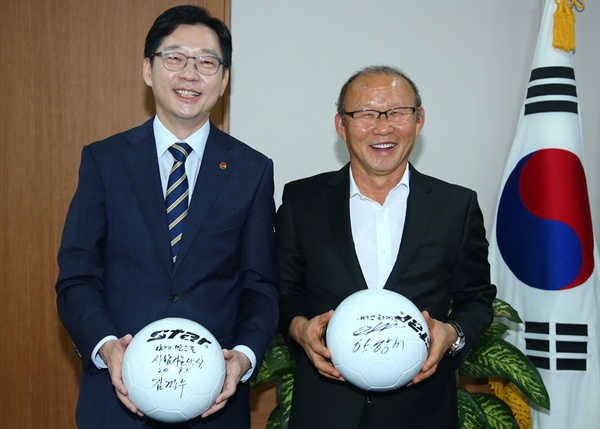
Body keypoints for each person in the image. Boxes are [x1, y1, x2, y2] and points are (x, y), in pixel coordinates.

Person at [55, 5, 278, 429]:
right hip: (115, 407)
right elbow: (77, 277)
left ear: (224, 79)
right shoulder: (104, 161)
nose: (190, 75)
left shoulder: (252, 170)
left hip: (214, 407)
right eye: (174, 58)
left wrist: (244, 356)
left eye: (207, 62)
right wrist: (106, 348)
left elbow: (260, 286)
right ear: (147, 69)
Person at [275, 65, 497, 429]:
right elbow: (284, 290)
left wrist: (452, 335)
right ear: (341, 125)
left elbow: (477, 298)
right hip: (324, 411)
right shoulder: (302, 201)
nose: (383, 127)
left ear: (419, 119)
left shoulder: (456, 206)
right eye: (365, 114)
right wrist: (300, 328)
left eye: (397, 112)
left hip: (422, 412)